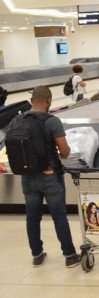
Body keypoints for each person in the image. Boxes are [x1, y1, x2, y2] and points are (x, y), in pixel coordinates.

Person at [7, 86, 81, 267]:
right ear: (48, 100)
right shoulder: (52, 121)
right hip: (50, 177)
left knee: (32, 217)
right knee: (59, 216)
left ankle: (37, 254)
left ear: (32, 100)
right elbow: (64, 152)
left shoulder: (16, 120)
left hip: (27, 177)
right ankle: (70, 255)